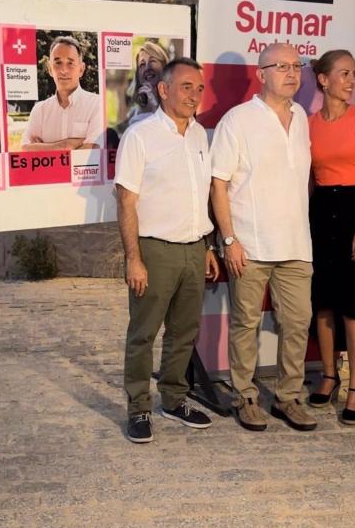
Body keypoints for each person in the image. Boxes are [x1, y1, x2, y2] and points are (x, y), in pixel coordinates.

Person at [210, 43, 317, 432]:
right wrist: (229, 240)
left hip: (296, 245)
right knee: (245, 324)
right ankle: (246, 396)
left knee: (298, 323)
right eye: (282, 66)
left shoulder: (302, 116)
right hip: (249, 246)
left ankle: (288, 397)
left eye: (297, 66)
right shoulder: (237, 121)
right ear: (262, 73)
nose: (292, 73)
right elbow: (218, 183)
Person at [114, 57, 219, 443]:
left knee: (184, 331)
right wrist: (134, 258)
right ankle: (139, 407)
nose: (194, 95)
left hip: (194, 249)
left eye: (199, 88)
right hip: (154, 250)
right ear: (164, 89)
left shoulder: (199, 135)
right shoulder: (140, 136)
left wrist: (206, 245)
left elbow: (199, 196)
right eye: (186, 87)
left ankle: (174, 399)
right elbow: (126, 200)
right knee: (143, 333)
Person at [305, 50, 355, 424]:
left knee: (354, 304)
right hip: (320, 212)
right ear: (323, 80)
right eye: (344, 73)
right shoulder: (306, 124)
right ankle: (328, 375)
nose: (352, 80)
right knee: (322, 301)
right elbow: (307, 179)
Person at [21, 35, 103, 151]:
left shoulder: (97, 104)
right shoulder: (39, 110)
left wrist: (43, 148)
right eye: (58, 63)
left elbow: (91, 151)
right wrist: (66, 145)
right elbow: (26, 149)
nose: (64, 70)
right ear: (50, 69)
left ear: (81, 69)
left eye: (70, 63)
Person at [122, 41, 169, 129]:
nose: (147, 68)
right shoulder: (133, 113)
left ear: (164, 67)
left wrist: (154, 104)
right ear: (138, 75)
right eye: (142, 64)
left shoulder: (175, 103)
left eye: (152, 61)